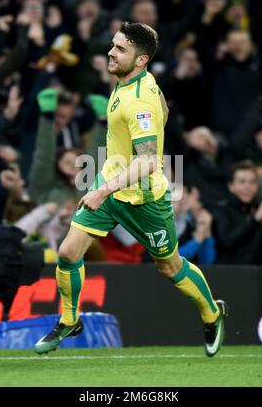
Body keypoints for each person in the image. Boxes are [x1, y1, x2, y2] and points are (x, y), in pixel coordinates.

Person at [34, 22, 228, 357]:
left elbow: (149, 162)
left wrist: (100, 191)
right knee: (68, 252)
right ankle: (69, 319)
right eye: (113, 45)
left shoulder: (138, 103)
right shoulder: (134, 81)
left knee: (169, 267)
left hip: (144, 198)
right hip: (112, 184)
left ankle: (212, 313)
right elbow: (163, 111)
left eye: (120, 49)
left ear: (140, 61)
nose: (111, 52)